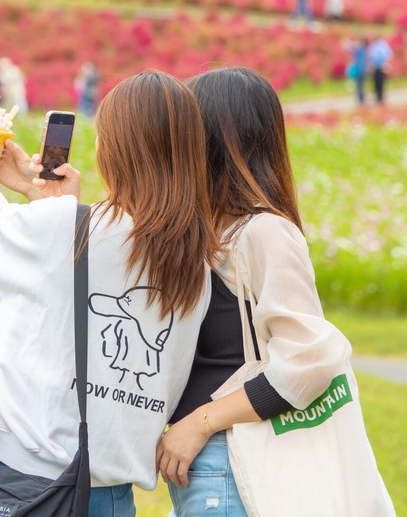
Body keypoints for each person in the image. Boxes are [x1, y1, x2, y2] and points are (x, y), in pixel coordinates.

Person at [0, 71, 218, 517]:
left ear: (115, 150)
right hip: (110, 494)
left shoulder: (71, 226)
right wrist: (48, 200)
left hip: (23, 484)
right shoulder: (195, 258)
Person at [158, 67, 357, 516]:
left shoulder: (263, 232)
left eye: (186, 128)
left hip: (235, 459)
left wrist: (200, 422)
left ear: (211, 140)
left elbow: (309, 359)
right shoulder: (210, 233)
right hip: (210, 465)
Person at [367, 36, 393, 105]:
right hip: (382, 67)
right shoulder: (383, 45)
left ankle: (379, 98)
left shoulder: (374, 46)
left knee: (377, 84)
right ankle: (381, 98)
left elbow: (371, 56)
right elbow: (389, 54)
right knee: (381, 83)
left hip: (376, 67)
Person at [343, 37, 368, 105]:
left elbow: (350, 50)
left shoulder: (360, 49)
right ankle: (361, 98)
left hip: (360, 70)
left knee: (359, 85)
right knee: (360, 84)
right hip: (363, 70)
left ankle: (361, 99)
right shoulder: (363, 50)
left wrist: (347, 43)